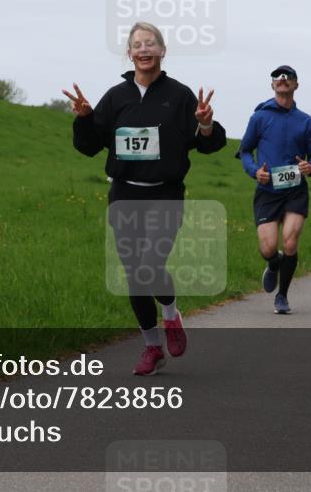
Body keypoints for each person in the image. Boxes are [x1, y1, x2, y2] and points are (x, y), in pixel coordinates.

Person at [63, 21, 227, 375]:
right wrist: (85, 119)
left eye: (150, 44)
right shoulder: (116, 97)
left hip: (165, 194)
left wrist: (205, 124)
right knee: (134, 274)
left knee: (151, 265)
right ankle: (152, 347)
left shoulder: (180, 96)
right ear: (129, 53)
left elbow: (211, 145)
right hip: (124, 194)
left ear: (162, 51)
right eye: (137, 44)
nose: (143, 50)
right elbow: (89, 146)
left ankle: (170, 315)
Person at [238, 65, 311, 314]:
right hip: (267, 190)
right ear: (272, 85)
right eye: (277, 77)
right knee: (267, 247)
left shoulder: (305, 121)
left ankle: (282, 296)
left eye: (288, 77)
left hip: (295, 189)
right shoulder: (260, 117)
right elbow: (244, 151)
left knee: (290, 240)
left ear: (296, 85)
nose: (283, 79)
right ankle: (274, 264)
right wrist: (255, 171)